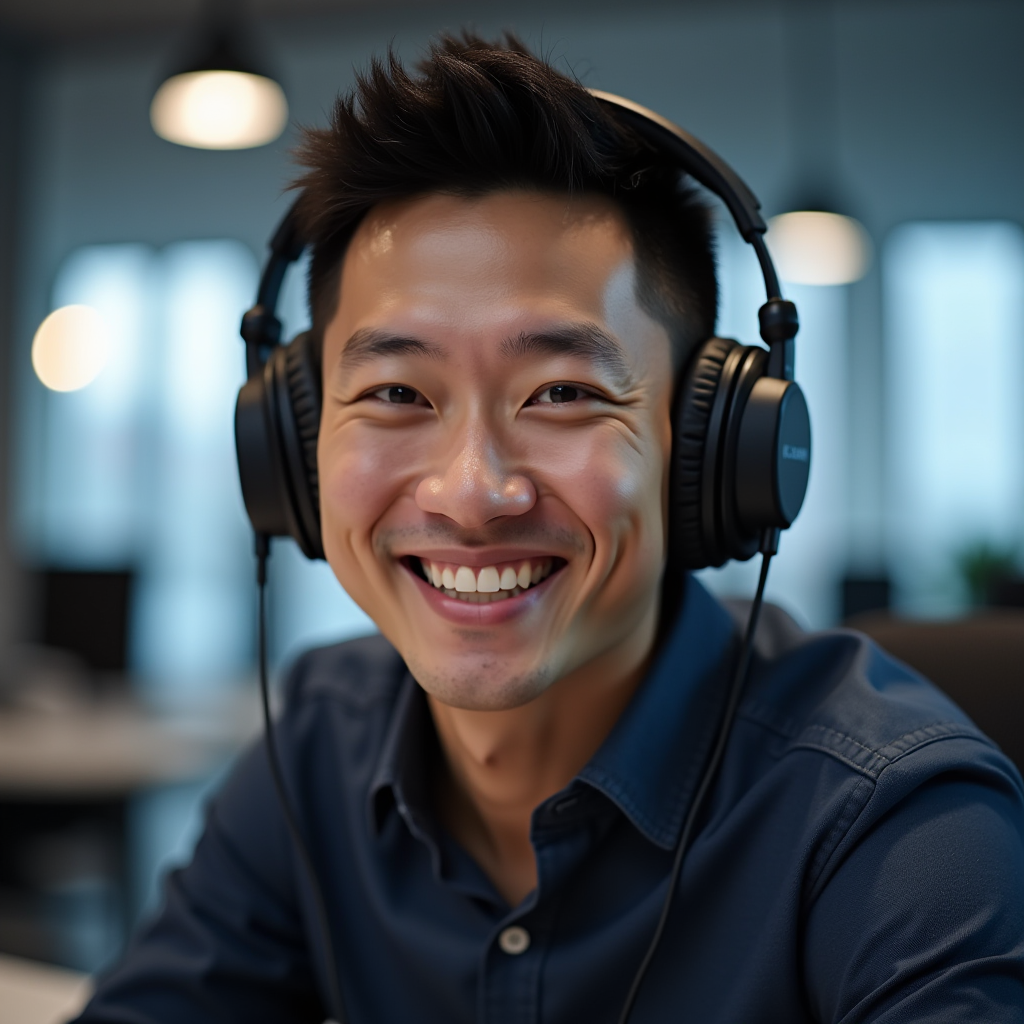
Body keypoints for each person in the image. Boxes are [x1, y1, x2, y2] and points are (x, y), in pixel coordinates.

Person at [74, 33, 1024, 1024]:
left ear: (707, 449)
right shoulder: (316, 741)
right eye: (396, 391)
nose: (473, 491)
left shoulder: (895, 819)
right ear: (295, 449)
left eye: (562, 391)